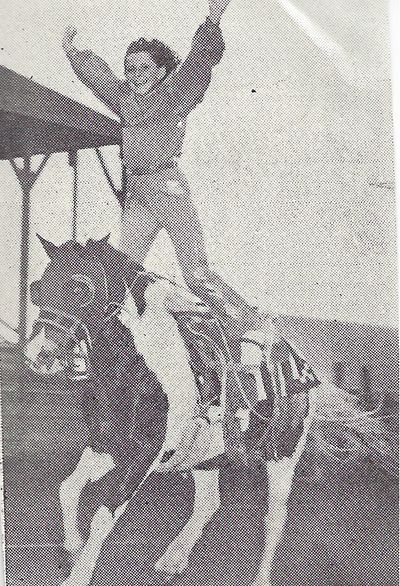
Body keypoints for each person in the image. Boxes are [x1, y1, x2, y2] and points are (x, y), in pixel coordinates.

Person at [62, 0, 246, 313]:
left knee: (196, 275)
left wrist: (212, 20)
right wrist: (73, 52)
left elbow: (198, 63)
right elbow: (99, 77)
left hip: (169, 188)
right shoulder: (124, 99)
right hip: (137, 194)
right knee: (121, 275)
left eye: (144, 68)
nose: (135, 75)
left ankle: (250, 321)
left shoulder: (174, 94)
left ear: (160, 71)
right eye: (130, 70)